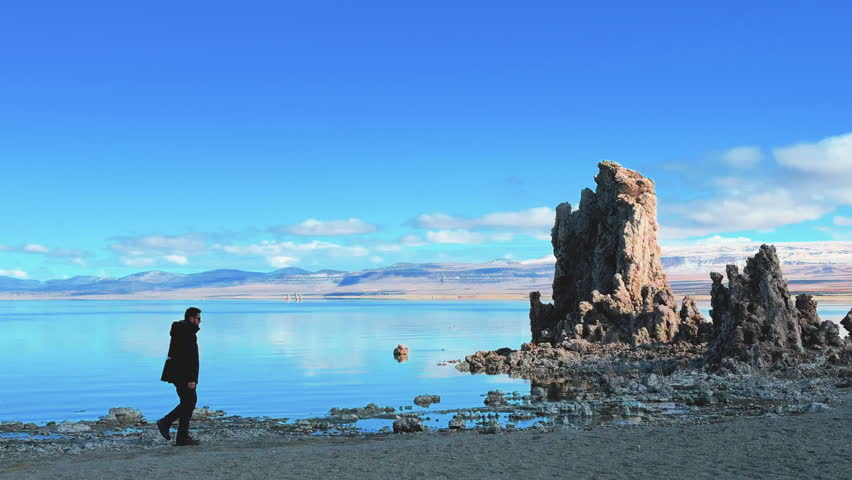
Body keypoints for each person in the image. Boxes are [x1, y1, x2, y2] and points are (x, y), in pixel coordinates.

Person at [156, 307, 202, 446]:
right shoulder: (187, 333)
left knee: (187, 403)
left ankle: (182, 438)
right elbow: (188, 358)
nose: (200, 322)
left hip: (177, 374)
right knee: (189, 402)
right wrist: (191, 378)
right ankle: (166, 422)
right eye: (198, 319)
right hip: (183, 375)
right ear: (191, 318)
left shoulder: (182, 330)